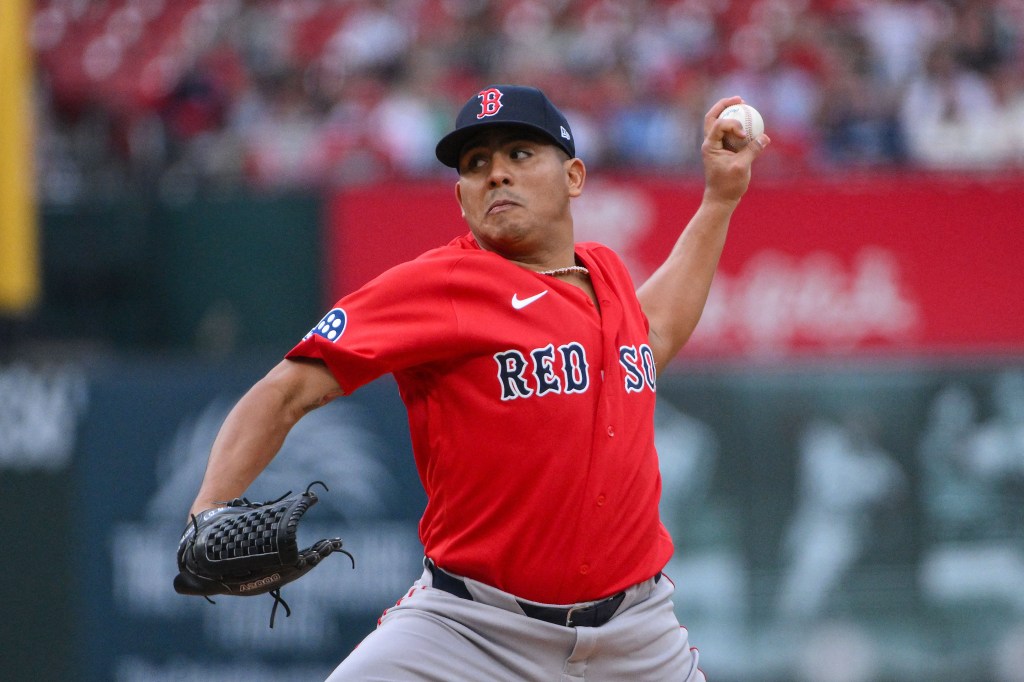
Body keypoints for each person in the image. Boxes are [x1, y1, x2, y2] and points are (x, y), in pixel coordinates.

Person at [186, 84, 768, 681]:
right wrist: (206, 512)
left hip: (637, 638)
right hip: (471, 631)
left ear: (573, 177)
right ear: (461, 197)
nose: (496, 175)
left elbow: (657, 333)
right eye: (475, 164)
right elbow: (285, 390)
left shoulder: (608, 275)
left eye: (519, 153)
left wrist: (720, 200)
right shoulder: (441, 284)